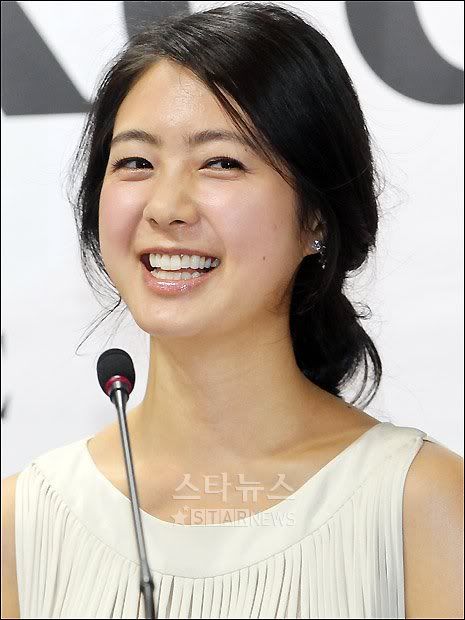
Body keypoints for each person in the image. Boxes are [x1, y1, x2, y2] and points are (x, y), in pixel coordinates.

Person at [2, 2, 463, 618]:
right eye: (136, 162)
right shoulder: (24, 524)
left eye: (221, 162)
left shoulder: (422, 504)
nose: (167, 207)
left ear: (317, 215)